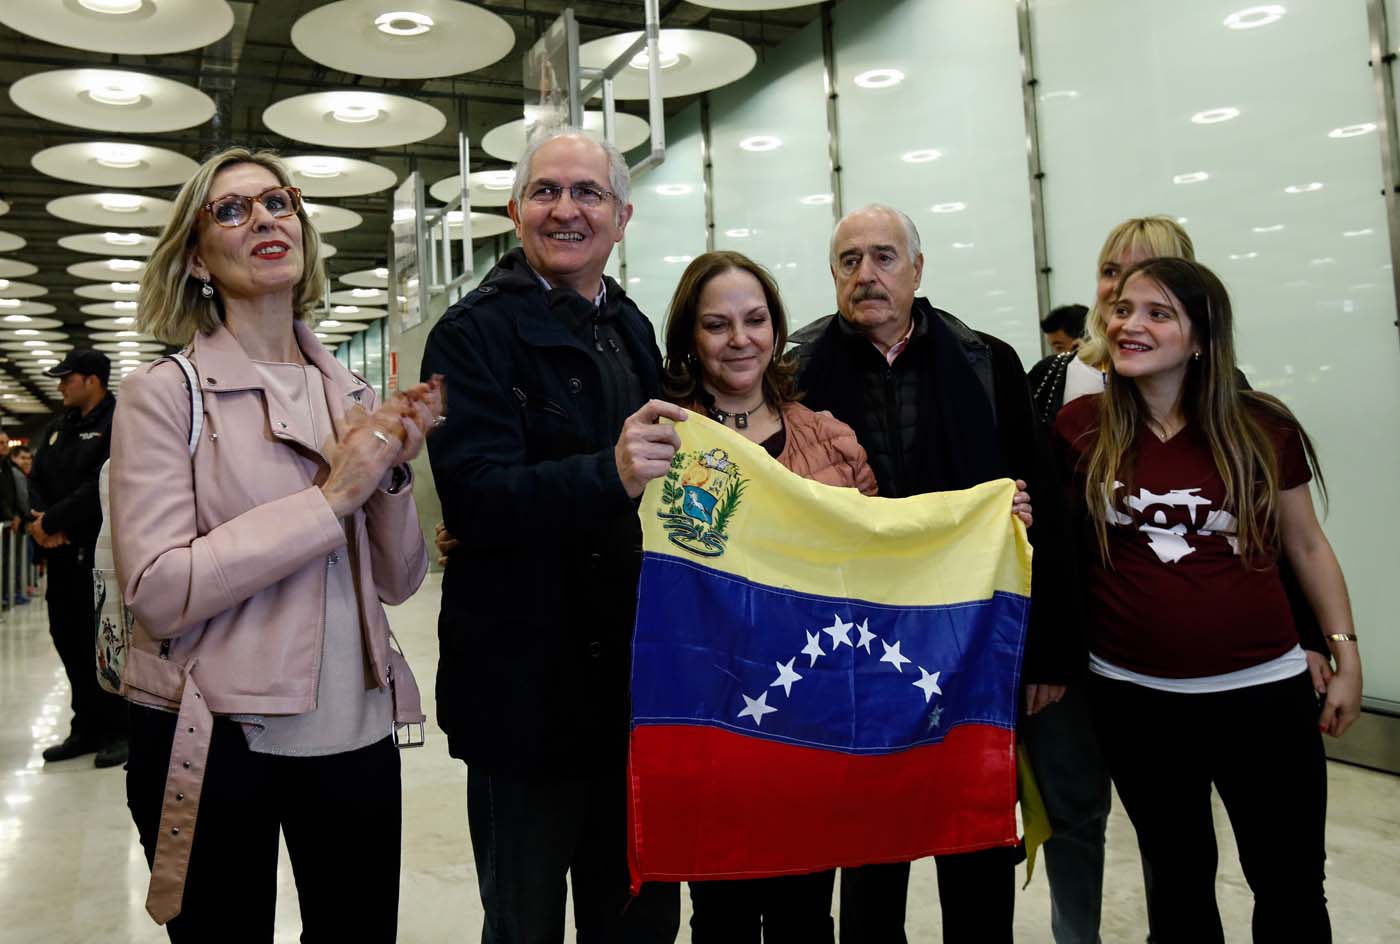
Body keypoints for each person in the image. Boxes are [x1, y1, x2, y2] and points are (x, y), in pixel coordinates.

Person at [111, 146, 437, 941]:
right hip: (220, 741)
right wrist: (331, 498)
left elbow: (398, 584)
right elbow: (156, 588)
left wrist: (391, 478)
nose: (263, 218)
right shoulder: (163, 397)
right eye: (231, 209)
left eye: (279, 202)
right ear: (195, 259)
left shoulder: (354, 395)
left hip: (357, 734)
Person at [1021, 216, 1330, 944]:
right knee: (1110, 834)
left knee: (1275, 874)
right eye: (1117, 285)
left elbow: (1290, 540)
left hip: (1253, 678)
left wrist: (1324, 639)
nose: (1130, 308)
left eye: (1158, 294)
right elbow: (1049, 534)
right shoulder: (1061, 400)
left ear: (1198, 321)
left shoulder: (1243, 411)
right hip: (1117, 672)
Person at [421, 127, 684, 943]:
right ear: (513, 210)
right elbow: (476, 496)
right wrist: (607, 473)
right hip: (523, 698)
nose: (565, 210)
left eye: (587, 193)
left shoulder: (634, 329)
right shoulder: (468, 336)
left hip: (634, 697)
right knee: (523, 922)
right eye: (546, 192)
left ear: (622, 216)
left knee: (635, 919)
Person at [790, 204, 1079, 943]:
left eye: (885, 257)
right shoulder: (796, 371)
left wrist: (1045, 652)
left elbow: (1042, 506)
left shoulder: (987, 362)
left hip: (974, 650)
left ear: (918, 270)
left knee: (976, 840)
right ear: (832, 277)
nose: (868, 276)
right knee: (869, 855)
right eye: (849, 261)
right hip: (855, 655)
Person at [659, 250, 875, 942]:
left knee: (806, 914)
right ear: (690, 337)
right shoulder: (663, 441)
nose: (739, 339)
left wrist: (988, 519)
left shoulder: (830, 439)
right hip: (710, 724)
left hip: (808, 717)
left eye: (754, 320)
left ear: (777, 329)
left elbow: (881, 556)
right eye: (717, 324)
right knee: (719, 915)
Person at [29, 348, 126, 767]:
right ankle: (85, 726)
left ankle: (120, 729)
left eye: (67, 378)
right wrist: (41, 522)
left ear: (92, 379)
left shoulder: (120, 423)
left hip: (98, 553)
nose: (61, 385)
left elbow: (101, 484)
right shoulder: (58, 428)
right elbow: (36, 477)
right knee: (67, 639)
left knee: (105, 643)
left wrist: (53, 519)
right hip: (61, 555)